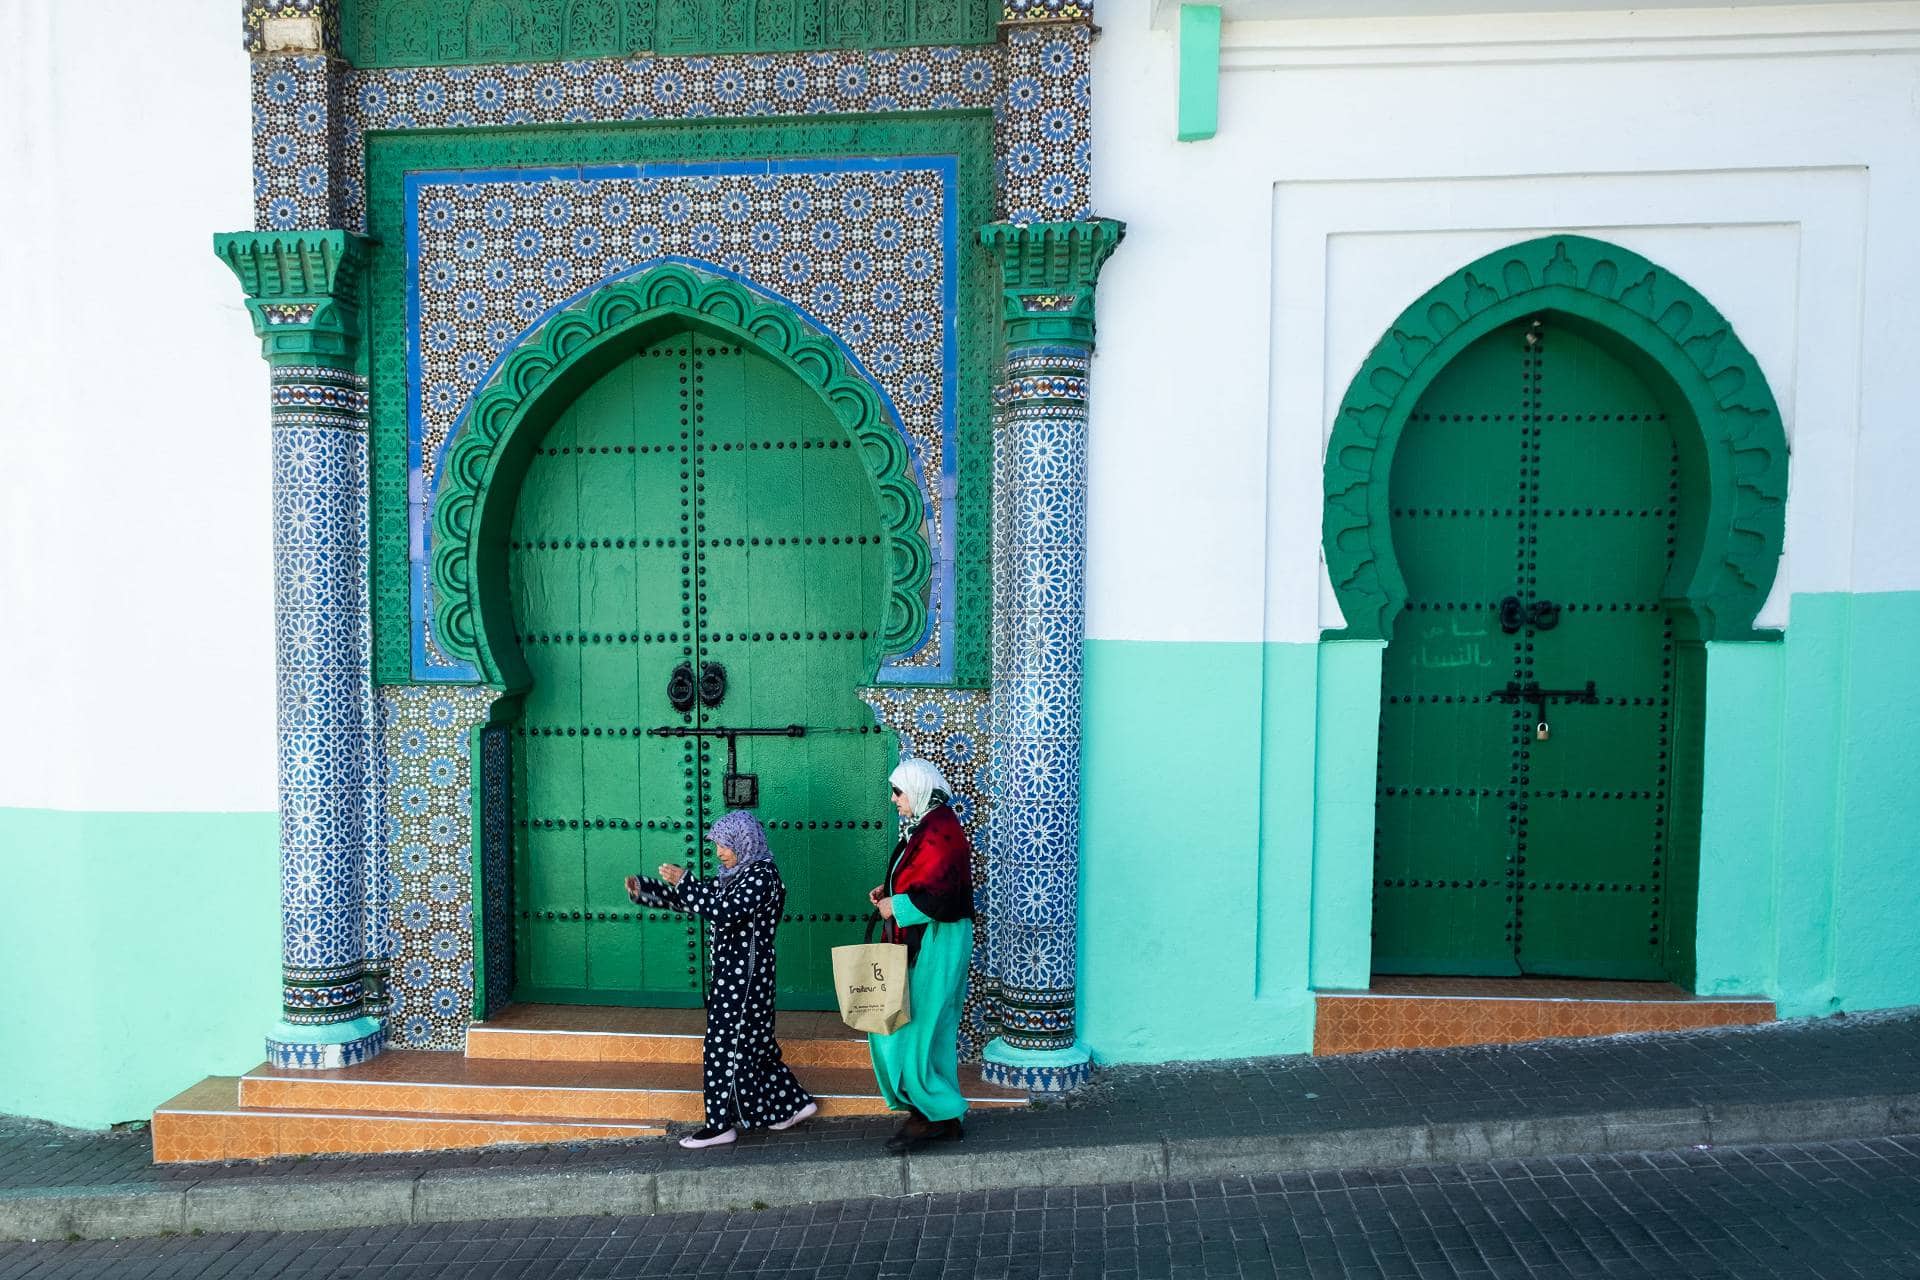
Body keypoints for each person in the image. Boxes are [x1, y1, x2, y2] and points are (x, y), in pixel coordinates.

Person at [626, 809, 818, 1149]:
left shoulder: (761, 877)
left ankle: (719, 1125)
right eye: (718, 845)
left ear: (744, 842)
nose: (720, 852)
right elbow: (700, 898)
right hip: (739, 975)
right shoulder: (737, 875)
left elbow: (723, 912)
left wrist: (684, 881)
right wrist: (648, 890)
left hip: (744, 978)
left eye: (725, 845)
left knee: (721, 1047)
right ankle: (793, 1105)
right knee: (755, 1045)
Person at [867, 757, 975, 1153]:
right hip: (932, 937)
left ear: (917, 788)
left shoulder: (939, 830)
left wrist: (899, 907)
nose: (894, 799)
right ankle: (938, 1112)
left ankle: (934, 1113)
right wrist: (890, 889)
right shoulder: (931, 826)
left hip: (937, 939)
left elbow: (944, 894)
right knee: (927, 1027)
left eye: (898, 791)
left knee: (919, 1026)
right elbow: (926, 877)